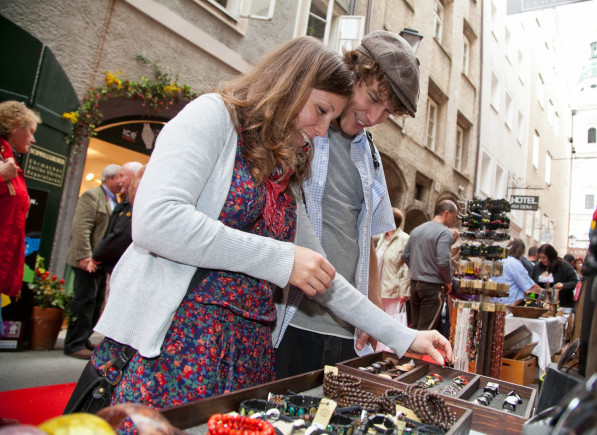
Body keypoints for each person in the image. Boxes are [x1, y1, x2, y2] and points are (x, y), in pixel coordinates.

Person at [85, 37, 453, 414]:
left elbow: (321, 274)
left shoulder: (282, 170)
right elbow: (157, 222)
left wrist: (403, 336)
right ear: (291, 84)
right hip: (174, 347)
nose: (324, 130)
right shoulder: (213, 115)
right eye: (321, 110)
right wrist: (281, 258)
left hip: (245, 357)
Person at [273, 30, 420, 379]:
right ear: (352, 72)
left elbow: (367, 242)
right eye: (372, 98)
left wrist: (371, 313)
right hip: (292, 320)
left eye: (387, 112)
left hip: (346, 331)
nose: (373, 117)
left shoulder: (370, 157)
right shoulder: (304, 126)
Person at [63, 163, 121, 359]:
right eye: (118, 177)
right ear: (108, 179)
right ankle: (74, 344)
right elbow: (81, 228)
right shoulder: (92, 196)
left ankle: (84, 338)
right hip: (86, 261)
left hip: (98, 262)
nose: (121, 182)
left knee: (95, 302)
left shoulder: (115, 200)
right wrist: (85, 256)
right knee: (84, 301)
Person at [0, 101, 41, 299]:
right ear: (16, 125)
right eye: (31, 131)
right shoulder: (6, 164)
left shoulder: (9, 161)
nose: (33, 140)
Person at [401, 199, 458, 331]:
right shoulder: (445, 233)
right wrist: (448, 281)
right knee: (425, 331)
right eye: (454, 216)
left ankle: (409, 352)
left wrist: (417, 269)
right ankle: (416, 352)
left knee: (414, 327)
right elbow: (443, 261)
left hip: (415, 284)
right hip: (432, 286)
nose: (454, 220)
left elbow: (405, 256)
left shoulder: (417, 230)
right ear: (446, 213)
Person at [92, 162, 144, 274]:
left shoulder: (135, 204)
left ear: (134, 176)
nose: (119, 181)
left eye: (121, 176)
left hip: (120, 268)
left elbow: (121, 235)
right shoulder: (127, 202)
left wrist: (96, 255)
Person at [376, 208, 411, 315]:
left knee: (389, 321)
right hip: (377, 288)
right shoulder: (382, 237)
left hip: (393, 290)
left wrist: (404, 291)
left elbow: (408, 267)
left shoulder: (405, 239)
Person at [491, 238, 542, 305]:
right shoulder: (515, 264)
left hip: (495, 302)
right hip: (509, 303)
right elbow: (529, 285)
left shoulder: (498, 260)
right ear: (521, 252)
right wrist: (545, 292)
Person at [531, 243, 578, 309]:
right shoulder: (537, 267)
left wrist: (563, 286)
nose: (541, 260)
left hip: (562, 304)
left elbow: (574, 281)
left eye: (544, 258)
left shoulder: (564, 265)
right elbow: (532, 282)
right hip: (541, 305)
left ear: (551, 256)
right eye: (540, 257)